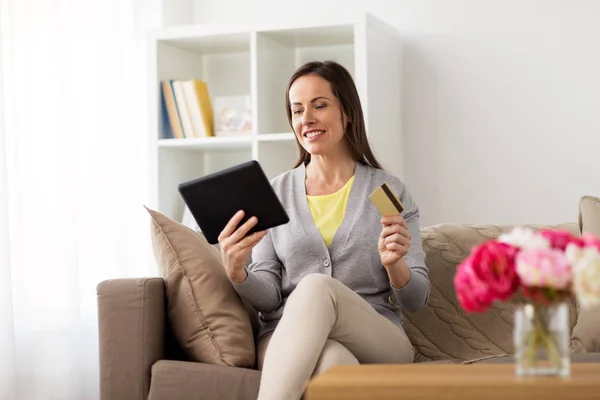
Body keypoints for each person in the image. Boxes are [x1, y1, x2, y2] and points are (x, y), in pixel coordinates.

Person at [218, 60, 430, 400]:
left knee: (317, 287)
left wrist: (395, 265)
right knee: (334, 362)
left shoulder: (389, 191)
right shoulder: (275, 193)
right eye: (297, 110)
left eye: (319, 105)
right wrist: (237, 271)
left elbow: (417, 299)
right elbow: (269, 296)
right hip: (286, 332)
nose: (307, 119)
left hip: (378, 335)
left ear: (347, 112)